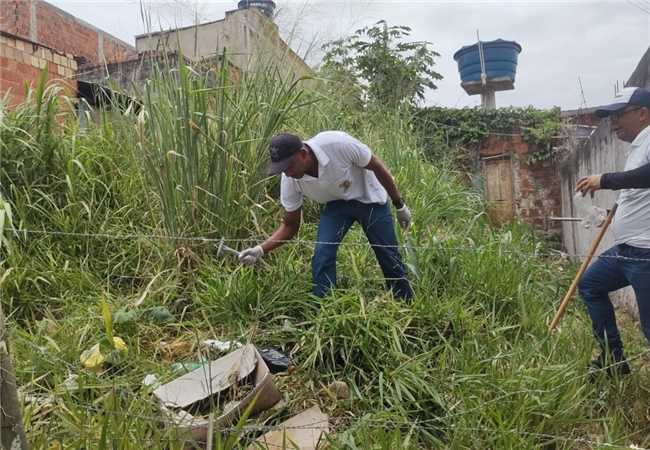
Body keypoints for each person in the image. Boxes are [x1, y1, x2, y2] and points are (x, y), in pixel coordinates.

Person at [238, 131, 414, 300]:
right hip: (336, 205)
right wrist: (261, 250)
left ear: (303, 153)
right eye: (282, 169)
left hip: (370, 199)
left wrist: (399, 205)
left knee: (388, 254)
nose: (288, 173)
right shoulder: (290, 180)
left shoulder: (338, 144)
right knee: (323, 253)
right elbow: (290, 226)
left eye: (289, 166)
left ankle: (404, 300)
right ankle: (324, 304)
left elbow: (377, 166)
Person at [575, 87, 650, 378]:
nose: (614, 122)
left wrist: (604, 180)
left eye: (619, 115)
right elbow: (638, 194)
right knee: (591, 285)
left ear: (642, 113)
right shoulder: (637, 149)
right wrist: (607, 215)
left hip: (645, 254)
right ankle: (613, 360)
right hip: (626, 250)